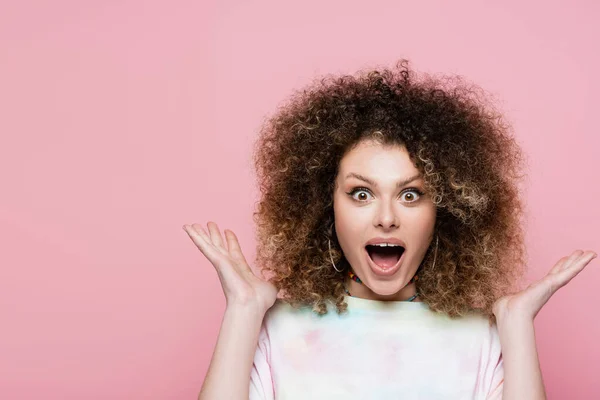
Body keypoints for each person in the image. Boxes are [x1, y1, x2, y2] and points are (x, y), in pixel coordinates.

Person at [184, 59, 596, 400]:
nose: (386, 217)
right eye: (361, 194)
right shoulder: (274, 329)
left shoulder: (486, 338)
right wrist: (241, 311)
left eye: (411, 194)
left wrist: (516, 323)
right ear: (327, 206)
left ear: (445, 209)